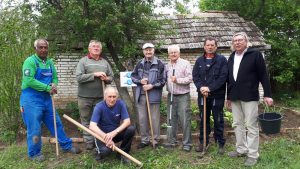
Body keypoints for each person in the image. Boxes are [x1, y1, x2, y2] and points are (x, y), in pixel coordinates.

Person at [20, 39, 81, 162]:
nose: (43, 50)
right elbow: (29, 80)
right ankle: (34, 154)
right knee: (35, 128)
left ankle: (66, 146)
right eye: (40, 47)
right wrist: (47, 87)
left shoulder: (49, 62)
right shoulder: (30, 61)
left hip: (47, 99)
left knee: (56, 123)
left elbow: (55, 77)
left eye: (45, 47)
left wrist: (54, 85)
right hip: (31, 99)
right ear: (36, 48)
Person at [226, 32, 273, 166]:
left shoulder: (255, 55)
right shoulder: (231, 57)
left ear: (246, 42)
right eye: (235, 40)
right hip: (235, 97)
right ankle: (241, 149)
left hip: (250, 96)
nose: (237, 42)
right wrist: (228, 96)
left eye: (240, 40)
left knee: (251, 126)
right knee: (237, 124)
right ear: (232, 43)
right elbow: (229, 80)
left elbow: (263, 75)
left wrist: (267, 94)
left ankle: (252, 154)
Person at [192, 37, 228, 155]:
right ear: (204, 46)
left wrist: (210, 88)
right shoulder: (199, 61)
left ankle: (220, 143)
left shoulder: (222, 60)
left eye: (212, 45)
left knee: (218, 119)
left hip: (217, 95)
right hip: (202, 95)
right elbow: (195, 76)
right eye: (208, 45)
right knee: (204, 119)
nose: (210, 47)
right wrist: (201, 88)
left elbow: (223, 77)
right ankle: (204, 142)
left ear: (216, 47)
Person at [76, 40, 114, 150]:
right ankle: (89, 141)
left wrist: (106, 78)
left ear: (101, 50)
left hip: (101, 97)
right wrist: (94, 75)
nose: (96, 48)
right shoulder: (83, 61)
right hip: (84, 97)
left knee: (98, 120)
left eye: (98, 47)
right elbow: (79, 78)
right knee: (86, 119)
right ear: (89, 49)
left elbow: (111, 77)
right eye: (94, 46)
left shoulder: (105, 63)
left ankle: (98, 139)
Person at [131, 43, 165, 149]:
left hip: (154, 96)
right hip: (141, 95)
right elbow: (133, 76)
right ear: (143, 51)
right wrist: (140, 81)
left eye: (150, 50)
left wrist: (151, 86)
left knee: (154, 119)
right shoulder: (139, 63)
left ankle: (155, 140)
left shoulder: (159, 63)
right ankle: (144, 140)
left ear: (153, 51)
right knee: (142, 119)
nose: (148, 52)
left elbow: (163, 80)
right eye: (146, 50)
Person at [89, 87, 135, 163]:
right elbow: (92, 126)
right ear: (105, 97)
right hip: (102, 136)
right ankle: (99, 150)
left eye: (114, 97)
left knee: (131, 129)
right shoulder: (99, 107)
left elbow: (127, 121)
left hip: (114, 134)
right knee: (106, 151)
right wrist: (106, 137)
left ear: (117, 97)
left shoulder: (120, 103)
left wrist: (114, 133)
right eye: (109, 97)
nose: (112, 99)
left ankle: (121, 154)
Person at [163, 45, 193, 152]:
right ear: (169, 54)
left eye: (175, 52)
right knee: (171, 119)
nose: (173, 54)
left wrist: (177, 80)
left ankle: (187, 143)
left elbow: (190, 78)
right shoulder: (167, 66)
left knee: (185, 119)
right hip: (171, 95)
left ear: (179, 53)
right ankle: (172, 141)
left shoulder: (185, 63)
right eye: (171, 53)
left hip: (183, 96)